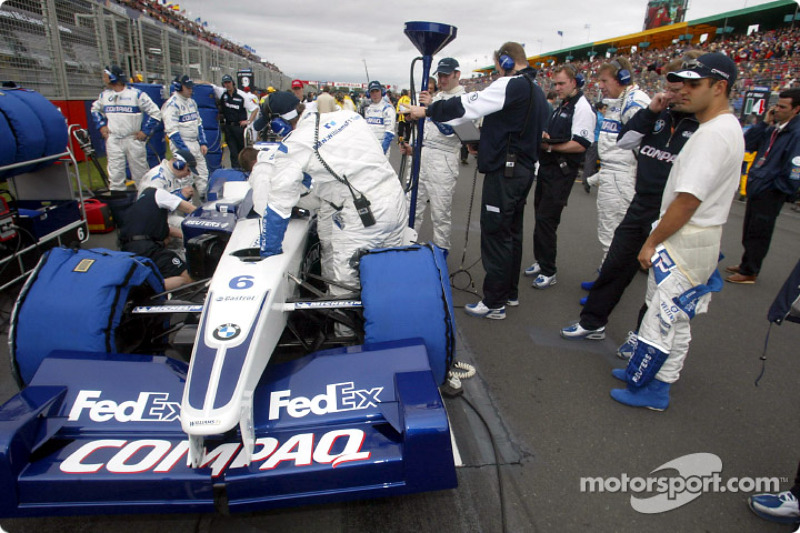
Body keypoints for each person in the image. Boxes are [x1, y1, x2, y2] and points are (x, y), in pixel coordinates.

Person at [609, 53, 744, 410]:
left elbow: (687, 201)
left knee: (665, 317)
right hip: (692, 236)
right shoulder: (718, 128)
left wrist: (651, 242)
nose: (682, 91)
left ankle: (655, 388)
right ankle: (651, 374)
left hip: (687, 237)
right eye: (682, 82)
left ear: (719, 88)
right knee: (667, 311)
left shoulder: (714, 134)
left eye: (693, 84)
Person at [560, 54, 702, 345]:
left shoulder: (704, 126)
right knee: (615, 264)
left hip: (675, 212)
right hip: (643, 203)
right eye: (670, 87)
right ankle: (592, 322)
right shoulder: (658, 113)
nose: (674, 94)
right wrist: (651, 111)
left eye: (682, 89)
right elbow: (625, 140)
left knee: (660, 285)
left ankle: (642, 338)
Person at [407, 41, 548, 319]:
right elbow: (515, 130)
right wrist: (484, 145)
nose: (497, 72)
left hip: (505, 173)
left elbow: (467, 105)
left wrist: (429, 110)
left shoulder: (512, 84)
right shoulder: (537, 91)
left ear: (506, 62)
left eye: (497, 66)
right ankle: (509, 293)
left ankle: (494, 302)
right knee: (511, 233)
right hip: (522, 170)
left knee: (495, 234)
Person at [239, 91, 408, 298]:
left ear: (278, 124)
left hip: (364, 217)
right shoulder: (349, 116)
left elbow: (278, 206)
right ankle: (390, 325)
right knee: (389, 276)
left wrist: (268, 253)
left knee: (344, 288)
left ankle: (345, 330)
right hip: (396, 201)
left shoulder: (295, 145)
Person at [524, 64, 596, 289]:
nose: (557, 87)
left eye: (561, 83)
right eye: (555, 84)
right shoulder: (563, 104)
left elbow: (580, 145)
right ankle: (541, 260)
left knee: (547, 220)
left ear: (574, 82)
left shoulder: (583, 108)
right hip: (547, 169)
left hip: (561, 172)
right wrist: (548, 137)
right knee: (540, 218)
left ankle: (549, 270)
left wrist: (551, 147)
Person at [726, 88, 800, 284]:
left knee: (760, 232)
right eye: (776, 105)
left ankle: (750, 270)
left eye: (783, 107)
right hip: (758, 186)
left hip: (770, 191)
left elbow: (795, 169)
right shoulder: (775, 128)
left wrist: (775, 188)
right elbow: (748, 143)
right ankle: (745, 263)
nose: (777, 110)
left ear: (796, 109)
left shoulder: (796, 134)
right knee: (750, 229)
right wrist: (765, 123)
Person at [588, 58, 650, 277]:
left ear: (622, 78)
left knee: (611, 232)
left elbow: (645, 145)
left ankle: (604, 283)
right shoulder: (621, 100)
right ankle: (607, 275)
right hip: (613, 173)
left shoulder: (634, 102)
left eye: (604, 80)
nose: (600, 86)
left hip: (622, 177)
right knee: (611, 231)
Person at [399, 57, 465, 254]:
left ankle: (440, 253)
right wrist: (413, 147)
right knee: (412, 205)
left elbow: (451, 131)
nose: (443, 79)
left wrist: (430, 111)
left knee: (440, 212)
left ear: (457, 74)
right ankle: (406, 247)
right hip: (422, 156)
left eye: (447, 75)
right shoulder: (436, 98)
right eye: (441, 75)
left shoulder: (463, 99)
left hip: (444, 160)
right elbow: (426, 132)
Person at [90, 65, 162, 190]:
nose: (103, 78)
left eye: (105, 75)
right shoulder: (104, 96)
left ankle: (144, 201)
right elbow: (94, 110)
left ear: (113, 77)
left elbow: (156, 113)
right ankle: (119, 204)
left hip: (133, 139)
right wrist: (101, 126)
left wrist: (145, 131)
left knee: (141, 174)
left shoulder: (136, 94)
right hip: (113, 139)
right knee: (115, 174)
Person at [119, 184, 197, 291]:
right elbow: (191, 209)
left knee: (151, 278)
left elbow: (169, 231)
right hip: (148, 248)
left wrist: (187, 236)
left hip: (128, 249)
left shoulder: (141, 208)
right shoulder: (157, 193)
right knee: (188, 277)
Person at [162, 74, 209, 199]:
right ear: (179, 87)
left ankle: (206, 204)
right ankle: (187, 209)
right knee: (185, 179)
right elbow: (172, 132)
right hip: (182, 145)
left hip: (195, 143)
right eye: (187, 87)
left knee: (203, 175)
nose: (190, 90)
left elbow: (199, 123)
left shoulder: (192, 102)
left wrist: (203, 142)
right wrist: (185, 152)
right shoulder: (171, 104)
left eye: (191, 87)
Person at [207, 74, 258, 170]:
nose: (227, 85)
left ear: (233, 83)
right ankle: (235, 171)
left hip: (239, 127)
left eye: (229, 82)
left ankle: (245, 170)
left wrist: (248, 121)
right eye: (225, 83)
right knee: (233, 152)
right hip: (228, 127)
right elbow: (210, 85)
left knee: (242, 152)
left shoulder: (242, 95)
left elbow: (255, 109)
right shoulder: (222, 93)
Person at [364, 80, 396, 157]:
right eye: (372, 92)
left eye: (377, 91)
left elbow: (390, 132)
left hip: (381, 149)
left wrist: (382, 151)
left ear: (382, 92)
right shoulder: (368, 109)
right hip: (369, 148)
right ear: (369, 94)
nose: (375, 94)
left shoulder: (387, 108)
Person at [581, 101, 606, 193]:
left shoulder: (596, 116)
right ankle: (587, 178)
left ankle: (588, 178)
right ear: (599, 109)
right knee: (591, 161)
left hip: (595, 140)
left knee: (591, 160)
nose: (605, 110)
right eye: (604, 108)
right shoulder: (599, 118)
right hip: (596, 141)